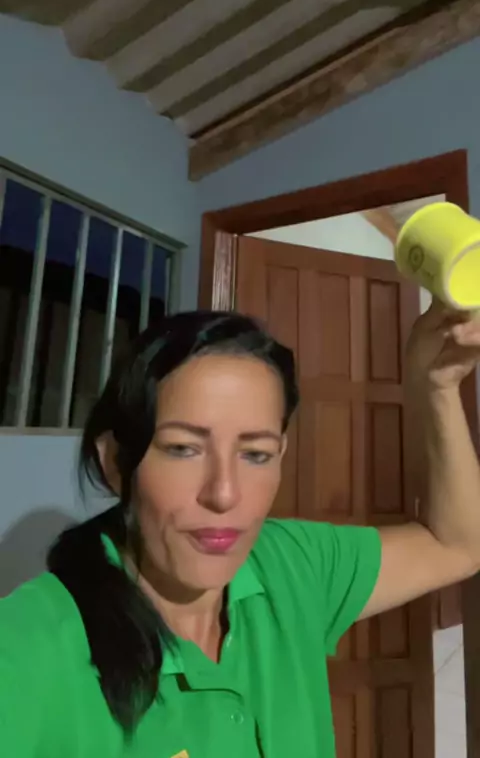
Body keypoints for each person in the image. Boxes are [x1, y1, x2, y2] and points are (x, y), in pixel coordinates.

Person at [1, 306, 480, 757]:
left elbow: (457, 544)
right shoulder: (28, 648)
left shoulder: (290, 565)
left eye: (255, 454)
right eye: (183, 449)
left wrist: (435, 387)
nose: (224, 494)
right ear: (115, 464)